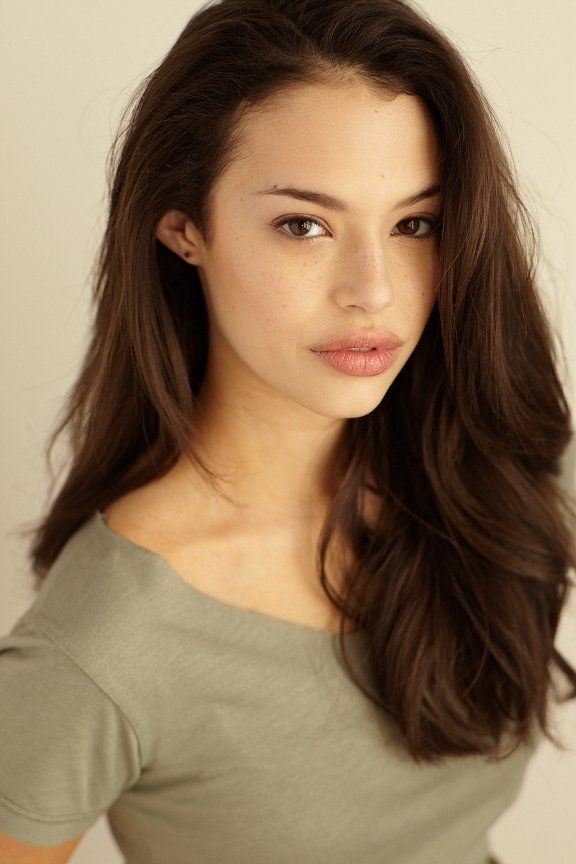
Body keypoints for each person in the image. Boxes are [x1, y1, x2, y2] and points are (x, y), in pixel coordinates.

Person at [1, 0, 575, 862]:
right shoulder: (101, 647)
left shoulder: (495, 463)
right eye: (304, 224)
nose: (374, 290)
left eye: (414, 224)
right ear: (184, 229)